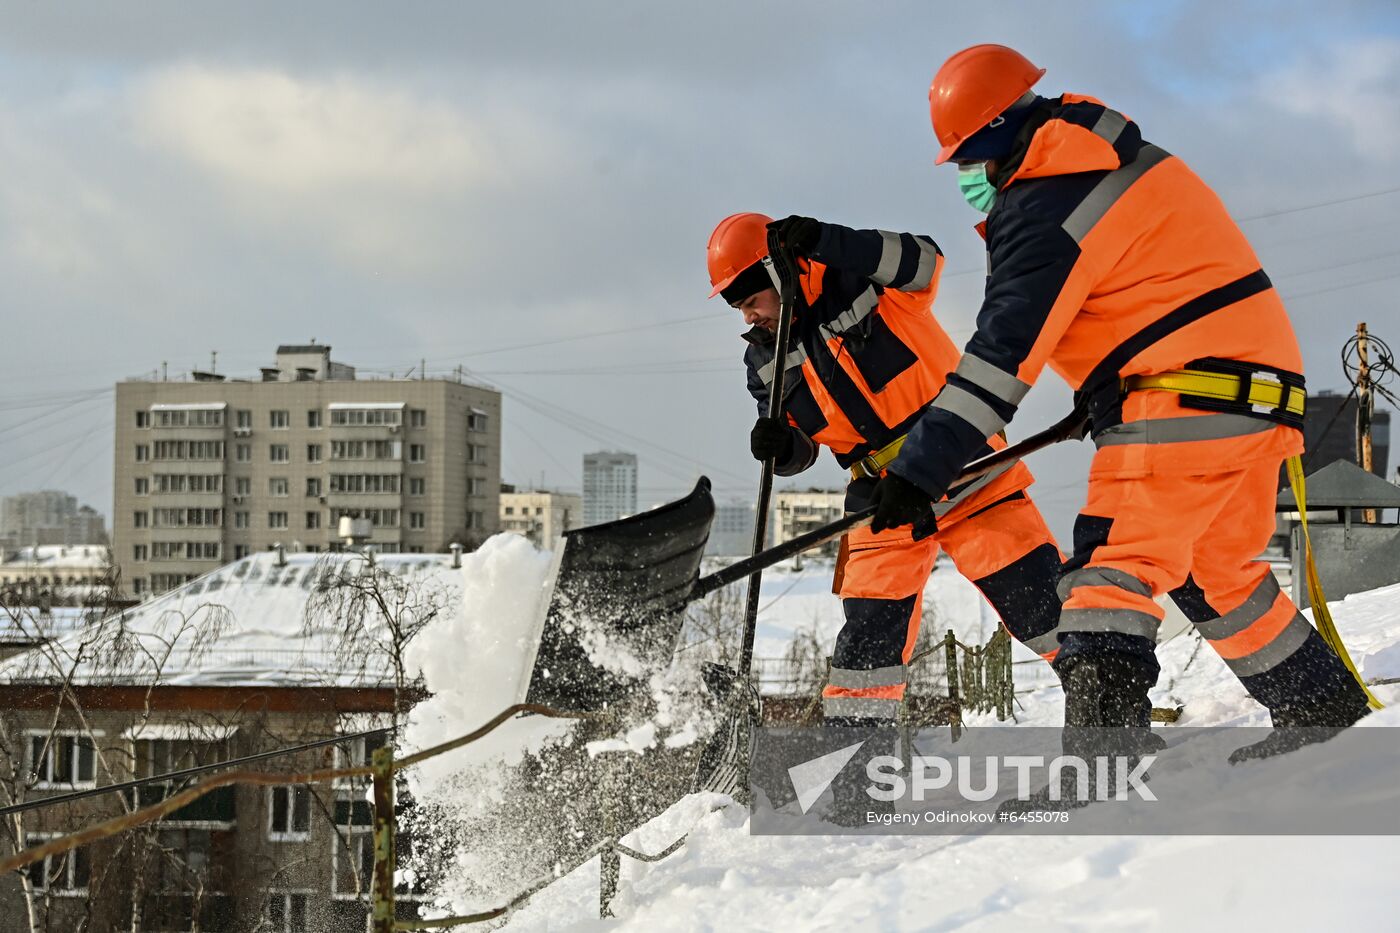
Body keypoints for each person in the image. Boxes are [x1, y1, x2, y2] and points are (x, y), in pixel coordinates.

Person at [871, 44, 1370, 760]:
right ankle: (1319, 708)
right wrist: (1101, 391)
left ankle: (1103, 768)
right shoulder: (1109, 157)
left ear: (989, 142)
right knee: (1215, 567)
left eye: (966, 163)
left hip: (1182, 399)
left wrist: (920, 470)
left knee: (1109, 569)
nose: (969, 181)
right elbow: (1151, 290)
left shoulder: (1043, 200)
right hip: (1253, 393)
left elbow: (1001, 355)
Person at [707, 211, 1066, 737]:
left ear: (777, 271)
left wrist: (829, 240)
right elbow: (800, 449)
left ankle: (1113, 724)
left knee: (1041, 607)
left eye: (749, 299)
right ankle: (856, 792)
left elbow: (925, 261)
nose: (746, 316)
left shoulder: (861, 280)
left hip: (964, 465)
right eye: (736, 307)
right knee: (864, 651)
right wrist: (780, 448)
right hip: (877, 496)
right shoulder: (764, 359)